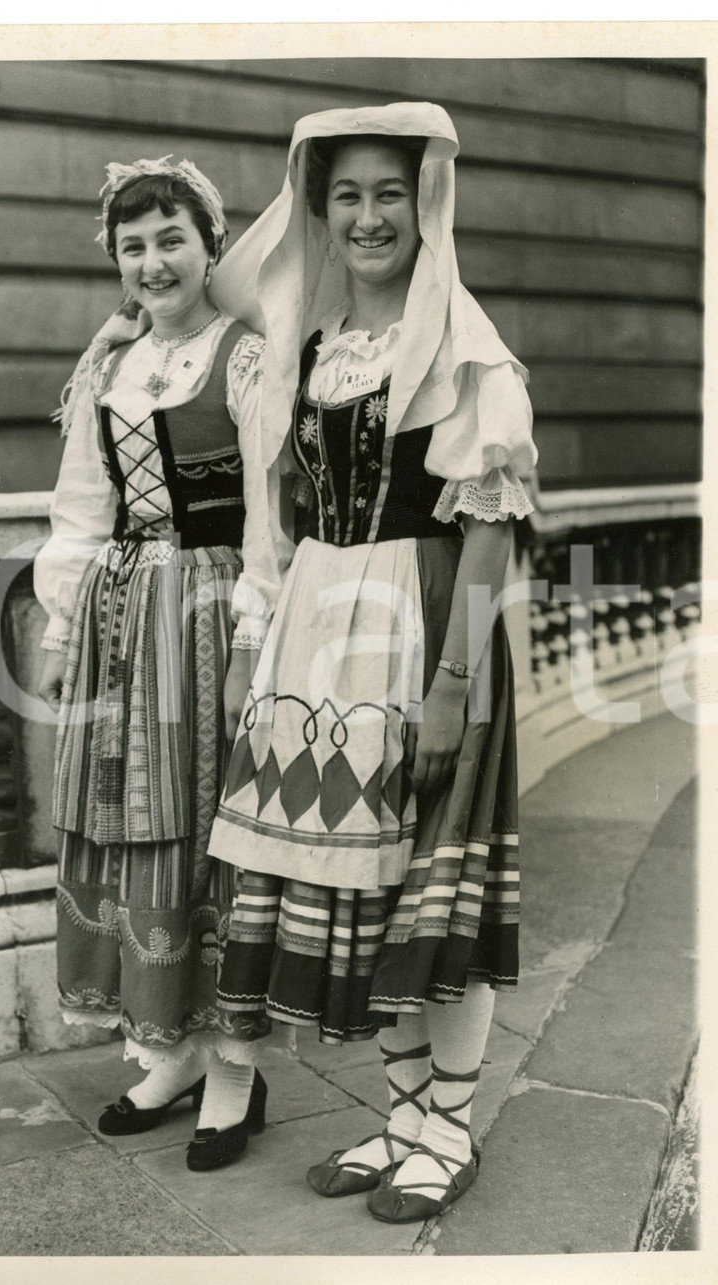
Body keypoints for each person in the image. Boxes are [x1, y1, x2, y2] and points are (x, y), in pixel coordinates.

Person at [205, 103, 537, 1221]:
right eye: (342, 194)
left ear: (424, 201)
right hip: (319, 633)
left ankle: (448, 1122)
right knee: (355, 885)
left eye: (387, 192)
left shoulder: (458, 343)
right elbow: (276, 517)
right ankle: (401, 1112)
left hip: (426, 628)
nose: (365, 215)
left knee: (426, 890)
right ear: (317, 208)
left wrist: (452, 686)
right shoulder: (306, 349)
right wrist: (264, 656)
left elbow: (488, 522)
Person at [34, 155, 288, 1170]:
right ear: (117, 261)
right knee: (129, 829)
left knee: (207, 833)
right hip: (119, 623)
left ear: (208, 245)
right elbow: (81, 506)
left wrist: (250, 644)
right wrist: (60, 631)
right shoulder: (108, 370)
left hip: (207, 613)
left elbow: (272, 519)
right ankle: (165, 1049)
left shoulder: (245, 360)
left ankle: (233, 1075)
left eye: (171, 238)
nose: (153, 260)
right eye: (133, 245)